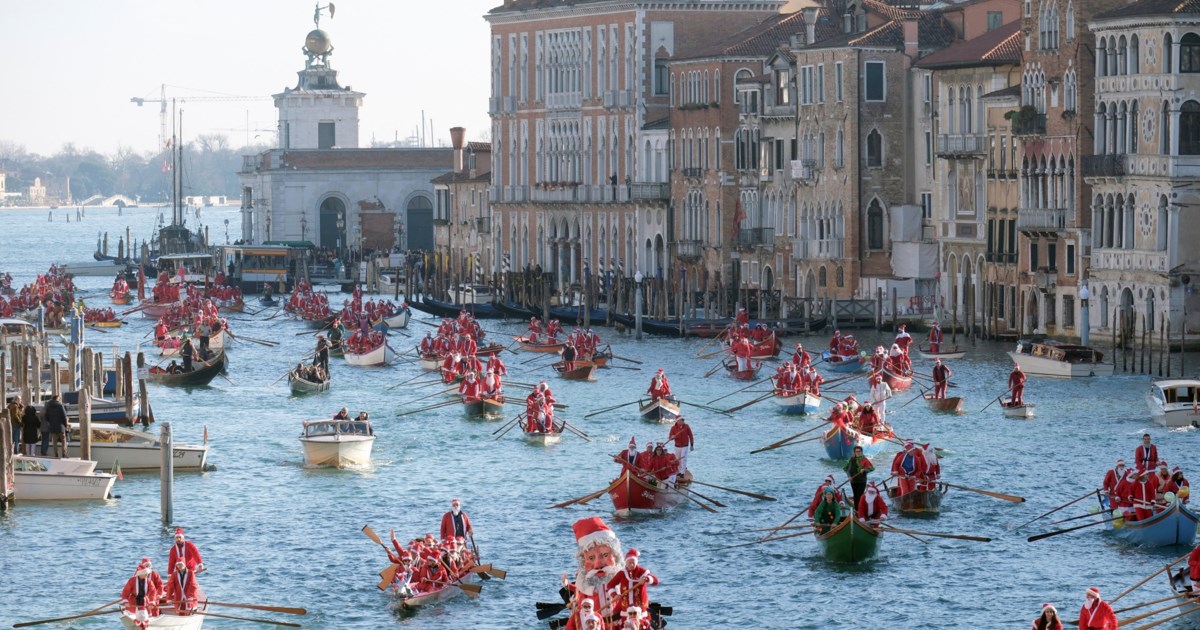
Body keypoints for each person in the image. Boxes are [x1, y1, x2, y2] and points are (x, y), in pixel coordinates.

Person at [561, 516, 624, 629]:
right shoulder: (584, 583)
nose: (598, 564)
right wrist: (567, 586)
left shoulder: (621, 578)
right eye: (590, 558)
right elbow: (578, 598)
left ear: (615, 555)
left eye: (605, 555)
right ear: (583, 561)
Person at [606, 548, 659, 619]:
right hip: (625, 608)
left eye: (633, 562)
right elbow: (610, 585)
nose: (631, 564)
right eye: (629, 562)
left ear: (636, 562)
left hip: (640, 608)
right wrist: (614, 595)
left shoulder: (643, 572)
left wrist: (646, 579)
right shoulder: (622, 573)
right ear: (626, 563)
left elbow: (656, 581)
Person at [121, 560, 161, 628]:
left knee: (144, 618)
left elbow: (153, 592)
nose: (146, 574)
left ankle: (143, 624)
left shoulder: (148, 581)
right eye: (145, 573)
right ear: (140, 573)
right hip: (133, 602)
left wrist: (151, 602)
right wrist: (125, 601)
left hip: (144, 602)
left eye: (146, 573)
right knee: (133, 615)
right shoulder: (132, 580)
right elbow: (125, 591)